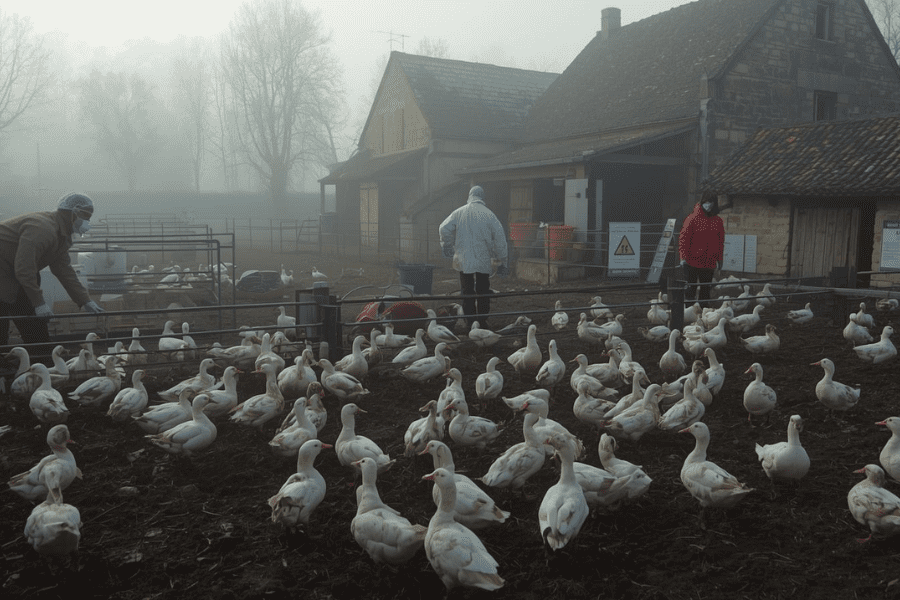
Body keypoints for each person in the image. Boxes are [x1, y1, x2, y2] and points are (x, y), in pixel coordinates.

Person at [0, 193, 105, 362]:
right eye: (86, 217)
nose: (87, 222)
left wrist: (85, 300)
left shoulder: (61, 236)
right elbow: (24, 269)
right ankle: (6, 369)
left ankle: (42, 362)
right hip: (8, 271)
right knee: (2, 323)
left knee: (34, 325)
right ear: (74, 212)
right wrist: (39, 303)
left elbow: (64, 270)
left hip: (16, 274)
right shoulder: (42, 229)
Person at [439, 185, 508, 329]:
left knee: (467, 291)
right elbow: (500, 240)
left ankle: (470, 322)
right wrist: (503, 261)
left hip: (464, 260)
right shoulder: (489, 215)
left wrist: (447, 245)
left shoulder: (459, 212)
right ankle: (482, 322)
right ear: (482, 197)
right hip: (483, 260)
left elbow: (443, 228)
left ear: (470, 196)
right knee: (483, 291)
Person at [678, 192, 725, 305]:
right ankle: (689, 311)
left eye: (711, 202)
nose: (709, 204)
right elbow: (684, 239)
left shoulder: (718, 221)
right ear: (702, 202)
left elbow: (720, 242)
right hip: (691, 262)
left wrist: (720, 259)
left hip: (708, 263)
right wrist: (683, 257)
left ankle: (703, 311)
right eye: (707, 202)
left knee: (705, 292)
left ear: (715, 204)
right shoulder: (691, 219)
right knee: (690, 291)